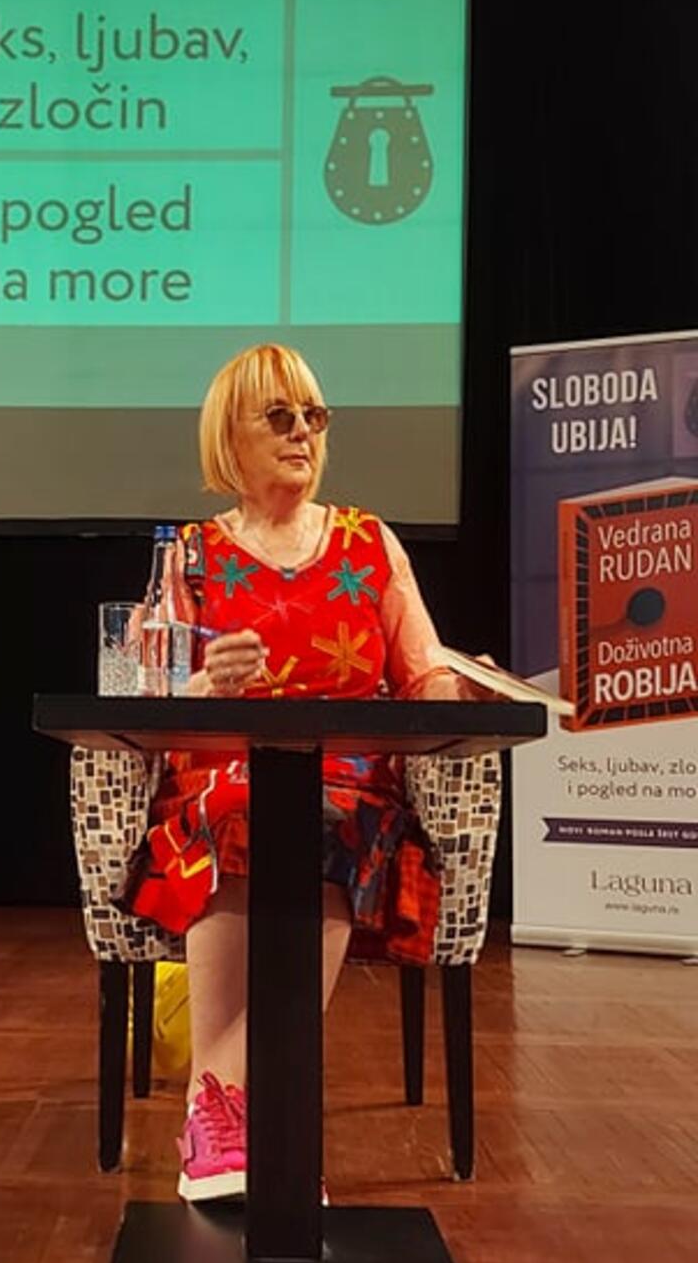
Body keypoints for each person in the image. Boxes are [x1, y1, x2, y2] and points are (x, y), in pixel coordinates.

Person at [124, 342, 484, 1203]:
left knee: (328, 821)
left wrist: (463, 684)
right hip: (219, 782)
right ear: (231, 438)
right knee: (239, 808)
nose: (302, 434)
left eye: (314, 416)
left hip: (349, 789)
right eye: (279, 417)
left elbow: (424, 672)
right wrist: (206, 685)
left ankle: (218, 1108)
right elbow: (141, 692)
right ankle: (256, 1123)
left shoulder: (369, 541)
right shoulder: (192, 555)